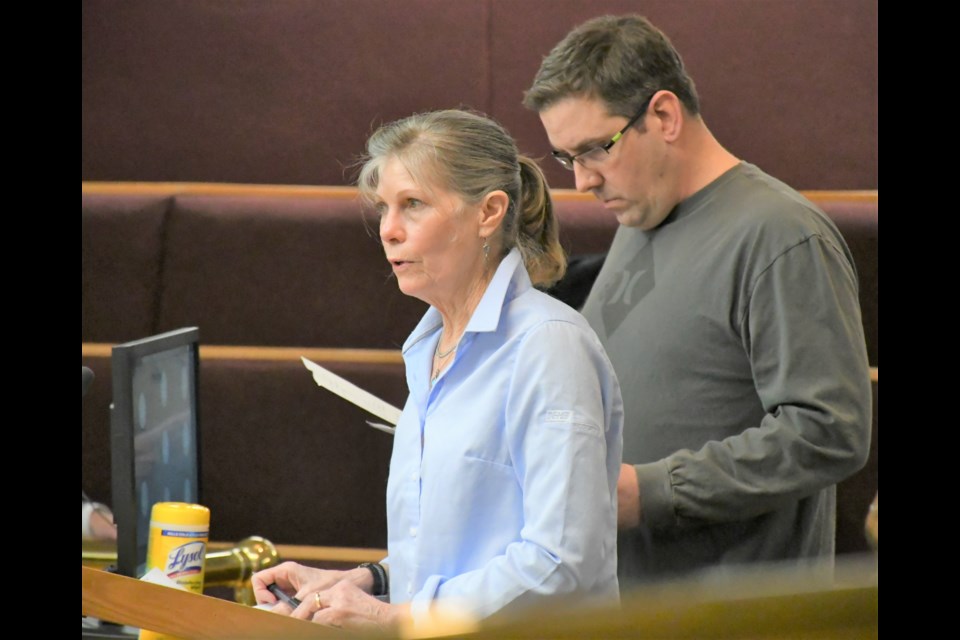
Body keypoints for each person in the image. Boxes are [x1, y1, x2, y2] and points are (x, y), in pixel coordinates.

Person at [523, 15, 872, 585]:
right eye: (568, 158)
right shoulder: (642, 213)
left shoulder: (779, 235)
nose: (582, 182)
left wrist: (648, 492)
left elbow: (830, 432)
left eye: (594, 150)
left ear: (663, 116)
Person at [252, 109, 623, 630]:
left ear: (489, 212)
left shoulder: (548, 346)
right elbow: (462, 546)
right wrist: (369, 581)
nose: (389, 231)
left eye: (413, 205)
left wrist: (397, 617)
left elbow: (561, 565)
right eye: (384, 208)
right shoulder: (429, 345)